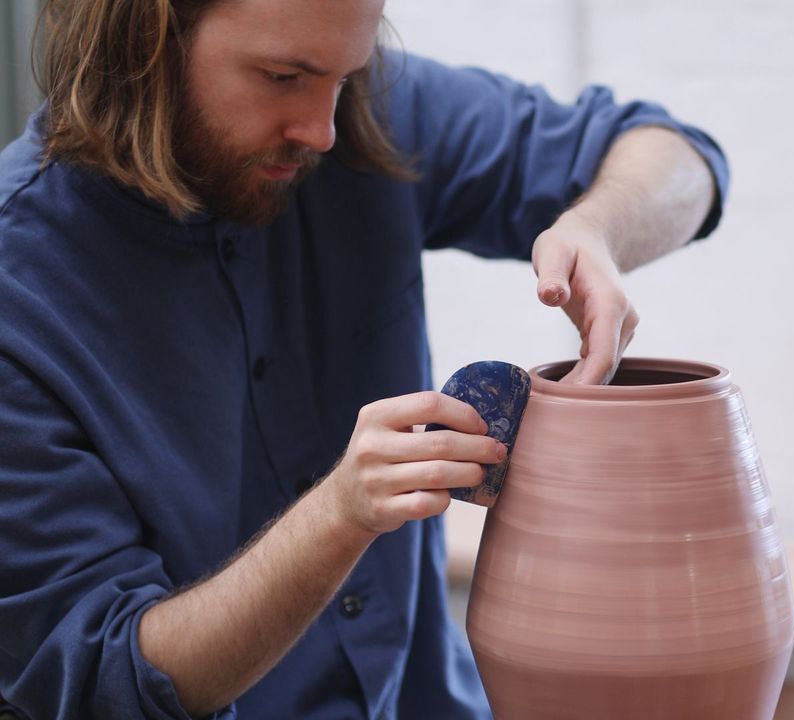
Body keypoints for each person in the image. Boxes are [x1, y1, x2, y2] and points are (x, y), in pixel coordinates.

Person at [0, 0, 727, 717]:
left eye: (346, 76)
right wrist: (338, 516)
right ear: (145, 35)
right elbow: (111, 680)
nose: (321, 130)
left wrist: (597, 226)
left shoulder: (359, 119)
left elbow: (681, 155)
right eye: (284, 76)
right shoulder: (20, 294)